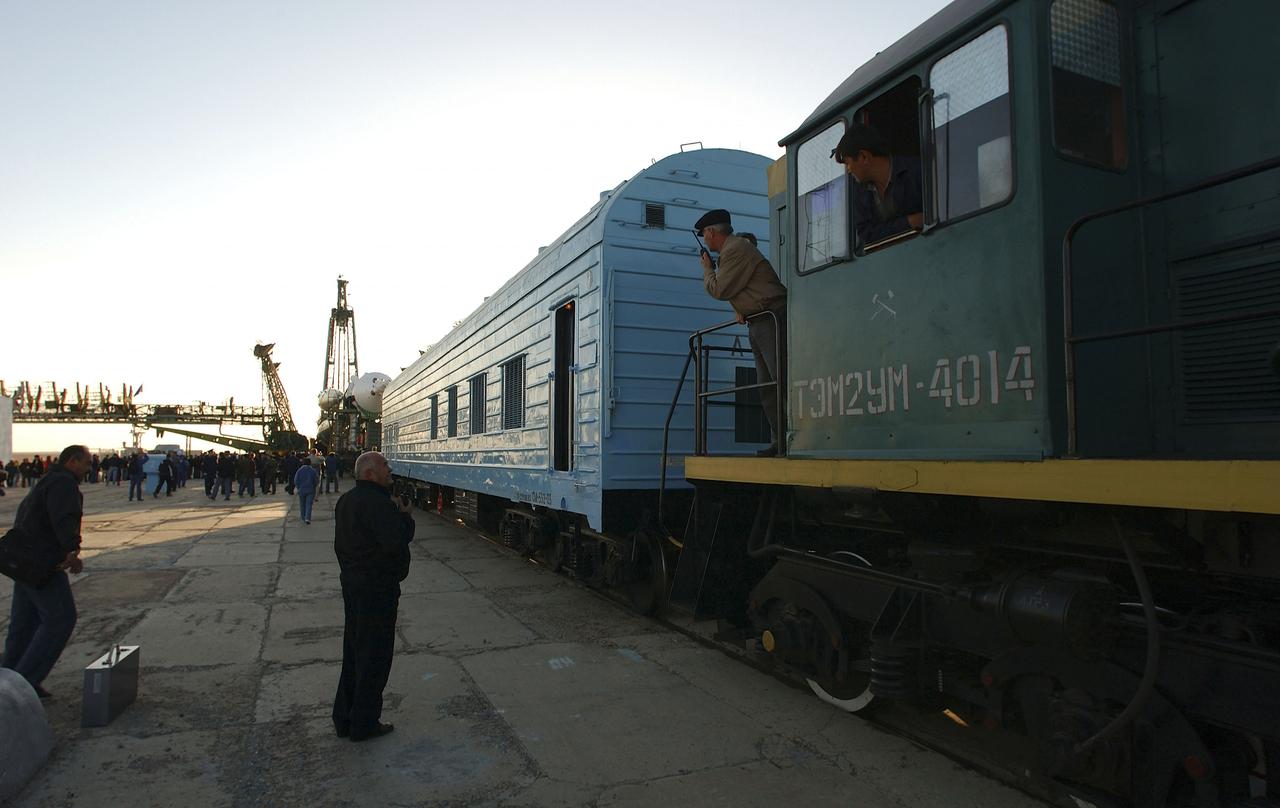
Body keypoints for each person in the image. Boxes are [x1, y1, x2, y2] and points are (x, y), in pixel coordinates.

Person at [331, 451, 415, 741]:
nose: (389, 469)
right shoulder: (379, 505)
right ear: (369, 473)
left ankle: (344, 718)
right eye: (383, 466)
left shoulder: (346, 502)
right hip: (377, 591)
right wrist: (406, 517)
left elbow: (340, 545)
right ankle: (364, 724)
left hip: (353, 588)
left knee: (354, 652)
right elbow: (395, 543)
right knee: (375, 658)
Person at [695, 208, 788, 457]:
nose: (704, 239)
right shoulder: (733, 251)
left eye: (705, 234)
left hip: (770, 318)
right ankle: (780, 440)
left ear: (712, 232)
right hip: (759, 320)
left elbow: (720, 289)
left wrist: (707, 269)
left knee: (779, 379)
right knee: (768, 385)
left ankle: (790, 438)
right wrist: (742, 308)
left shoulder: (735, 250)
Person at [2, 444, 90, 698]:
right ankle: (24, 684)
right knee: (61, 619)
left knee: (24, 623)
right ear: (73, 461)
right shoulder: (63, 484)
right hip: (42, 564)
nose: (88, 469)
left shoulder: (46, 480)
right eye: (85, 464)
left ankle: (9, 678)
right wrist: (71, 552)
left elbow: (25, 516)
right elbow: (64, 518)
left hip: (24, 562)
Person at [832, 122, 924, 247]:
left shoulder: (917, 171)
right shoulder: (858, 192)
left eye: (848, 163)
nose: (848, 170)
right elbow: (866, 235)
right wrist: (909, 222)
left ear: (864, 156)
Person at [294, 456, 320, 524]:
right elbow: (317, 480)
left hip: (301, 489)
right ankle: (307, 518)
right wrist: (314, 485)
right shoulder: (313, 471)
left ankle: (303, 517)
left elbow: (296, 480)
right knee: (309, 504)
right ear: (310, 463)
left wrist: (298, 487)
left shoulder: (299, 470)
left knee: (302, 504)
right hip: (310, 489)